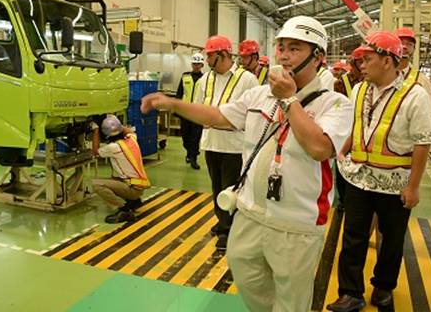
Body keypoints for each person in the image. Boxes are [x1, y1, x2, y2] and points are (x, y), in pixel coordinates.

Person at [141, 16, 353, 311]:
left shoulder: (336, 104)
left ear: (318, 57)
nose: (284, 55)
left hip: (296, 223)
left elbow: (319, 148)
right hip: (250, 213)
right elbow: (218, 116)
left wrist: (290, 100)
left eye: (294, 49)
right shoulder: (260, 95)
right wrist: (173, 103)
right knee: (246, 274)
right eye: (281, 47)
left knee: (292, 299)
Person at [327, 31, 431, 312]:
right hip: (359, 179)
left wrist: (413, 186)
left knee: (391, 239)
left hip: (394, 184)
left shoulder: (415, 96)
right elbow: (357, 126)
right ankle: (351, 293)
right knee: (353, 237)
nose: (361, 65)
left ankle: (384, 287)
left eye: (368, 59)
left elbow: (423, 142)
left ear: (388, 61)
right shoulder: (362, 89)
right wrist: (343, 149)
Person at [191, 35, 259, 249]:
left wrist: (224, 123)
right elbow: (198, 107)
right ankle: (222, 223)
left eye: (210, 55)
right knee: (216, 186)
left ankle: (231, 230)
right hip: (211, 143)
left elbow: (252, 114)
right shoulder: (205, 80)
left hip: (235, 146)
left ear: (223, 54)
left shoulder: (247, 80)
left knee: (232, 188)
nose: (206, 60)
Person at [91, 115, 151, 223]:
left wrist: (95, 130)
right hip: (138, 186)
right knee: (115, 176)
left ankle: (124, 209)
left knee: (96, 184)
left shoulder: (113, 147)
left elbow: (95, 151)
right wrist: (115, 122)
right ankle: (133, 201)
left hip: (131, 189)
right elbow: (127, 130)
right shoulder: (132, 139)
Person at [332, 45, 367, 210]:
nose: (363, 65)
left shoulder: (371, 81)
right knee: (342, 165)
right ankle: (344, 200)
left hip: (364, 131)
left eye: (366, 61)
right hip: (345, 128)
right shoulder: (341, 83)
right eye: (360, 62)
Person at [175, 53, 205, 170]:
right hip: (185, 112)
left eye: (198, 64)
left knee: (195, 137)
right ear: (192, 64)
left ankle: (193, 158)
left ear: (202, 65)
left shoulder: (206, 78)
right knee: (185, 136)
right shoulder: (185, 76)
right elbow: (179, 93)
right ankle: (189, 152)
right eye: (194, 63)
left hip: (198, 112)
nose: (196, 66)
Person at [395, 27, 431, 107]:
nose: (404, 47)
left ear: (414, 49)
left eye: (409, 44)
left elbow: (430, 110)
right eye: (401, 43)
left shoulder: (421, 80)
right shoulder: (383, 76)